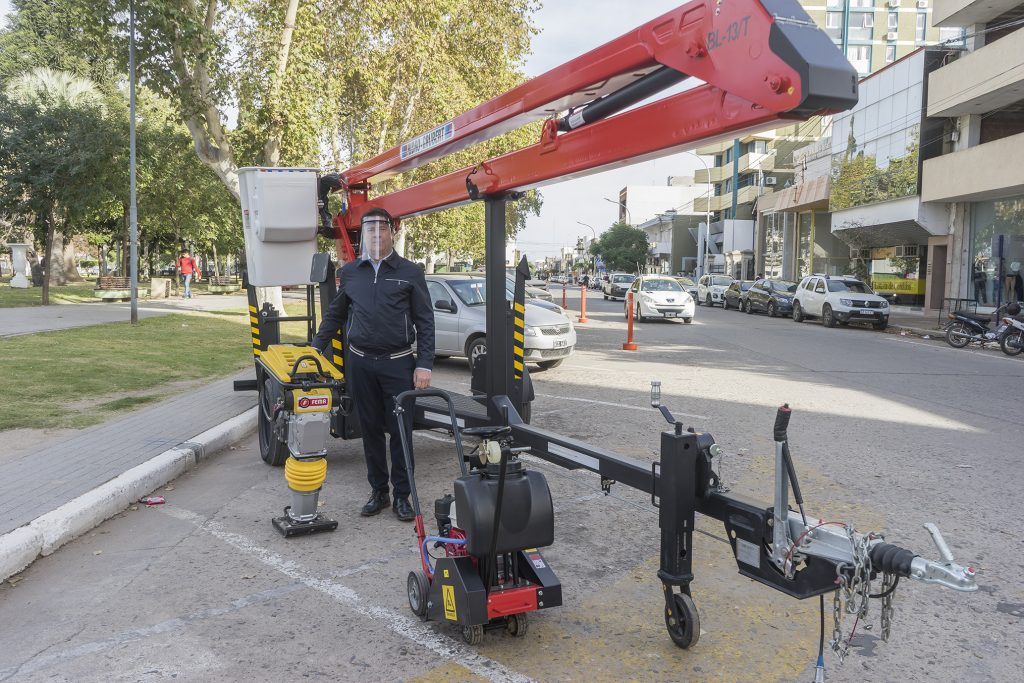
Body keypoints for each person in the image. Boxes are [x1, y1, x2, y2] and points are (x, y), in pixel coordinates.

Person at [312, 208, 435, 521]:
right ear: (363, 235)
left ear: (392, 232)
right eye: (370, 230)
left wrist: (424, 364)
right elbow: (336, 315)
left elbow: (425, 321)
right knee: (370, 431)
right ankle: (379, 492)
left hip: (398, 365)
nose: (376, 235)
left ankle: (402, 496)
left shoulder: (410, 271)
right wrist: (315, 348)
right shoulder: (351, 273)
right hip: (361, 365)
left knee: (400, 431)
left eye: (382, 229)